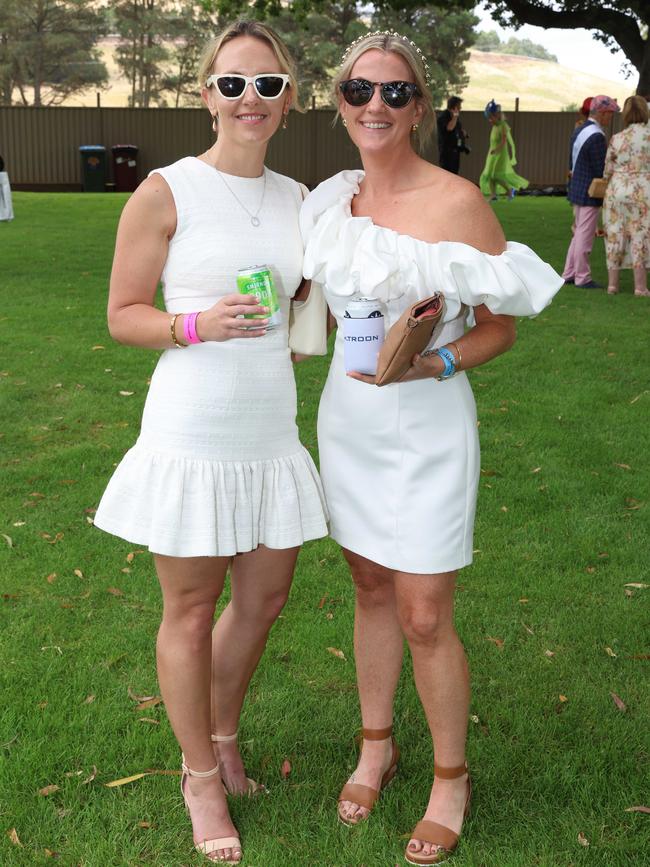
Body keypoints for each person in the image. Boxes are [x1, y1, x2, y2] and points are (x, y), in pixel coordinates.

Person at [300, 31, 562, 866]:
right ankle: (376, 745)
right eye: (359, 90)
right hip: (348, 417)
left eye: (396, 92)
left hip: (427, 425)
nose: (375, 105)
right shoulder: (329, 202)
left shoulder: (456, 203)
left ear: (420, 104)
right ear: (339, 100)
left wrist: (434, 358)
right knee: (370, 584)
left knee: (425, 609)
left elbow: (502, 328)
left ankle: (451, 776)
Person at [93, 19, 328, 864]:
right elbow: (123, 315)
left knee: (262, 600)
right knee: (190, 611)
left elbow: (312, 298)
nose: (250, 100)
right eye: (233, 84)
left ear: (289, 100)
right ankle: (198, 775)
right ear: (206, 93)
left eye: (267, 85)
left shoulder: (301, 199)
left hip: (271, 426)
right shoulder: (167, 190)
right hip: (194, 428)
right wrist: (194, 321)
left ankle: (224, 735)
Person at [562, 93, 620, 290]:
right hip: (589, 192)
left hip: (578, 188)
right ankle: (582, 277)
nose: (610, 118)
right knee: (584, 238)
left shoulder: (580, 130)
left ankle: (569, 273)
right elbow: (600, 169)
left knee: (578, 233)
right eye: (610, 114)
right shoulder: (596, 135)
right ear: (602, 113)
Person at [602, 95, 650, 297]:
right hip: (643, 191)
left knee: (615, 234)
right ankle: (640, 287)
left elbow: (607, 171)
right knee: (640, 235)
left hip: (617, 190)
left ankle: (613, 286)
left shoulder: (617, 138)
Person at [479, 99, 528, 201]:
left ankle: (509, 190)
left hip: (500, 154)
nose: (490, 120)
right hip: (492, 154)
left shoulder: (503, 126)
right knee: (489, 175)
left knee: (495, 175)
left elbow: (504, 141)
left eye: (491, 117)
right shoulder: (494, 127)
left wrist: (496, 150)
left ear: (496, 115)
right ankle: (493, 195)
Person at [436, 96, 469, 174]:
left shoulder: (456, 119)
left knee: (455, 174)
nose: (460, 108)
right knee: (447, 175)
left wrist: (462, 133)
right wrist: (455, 116)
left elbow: (456, 129)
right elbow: (449, 128)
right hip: (447, 154)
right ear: (454, 107)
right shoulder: (443, 117)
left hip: (455, 153)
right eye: (459, 106)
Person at [0, 153, 14, 222]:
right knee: (6, 196)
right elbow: (2, 164)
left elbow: (1, 164)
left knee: (5, 196)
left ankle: (6, 215)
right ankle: (8, 215)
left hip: (1, 175)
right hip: (2, 174)